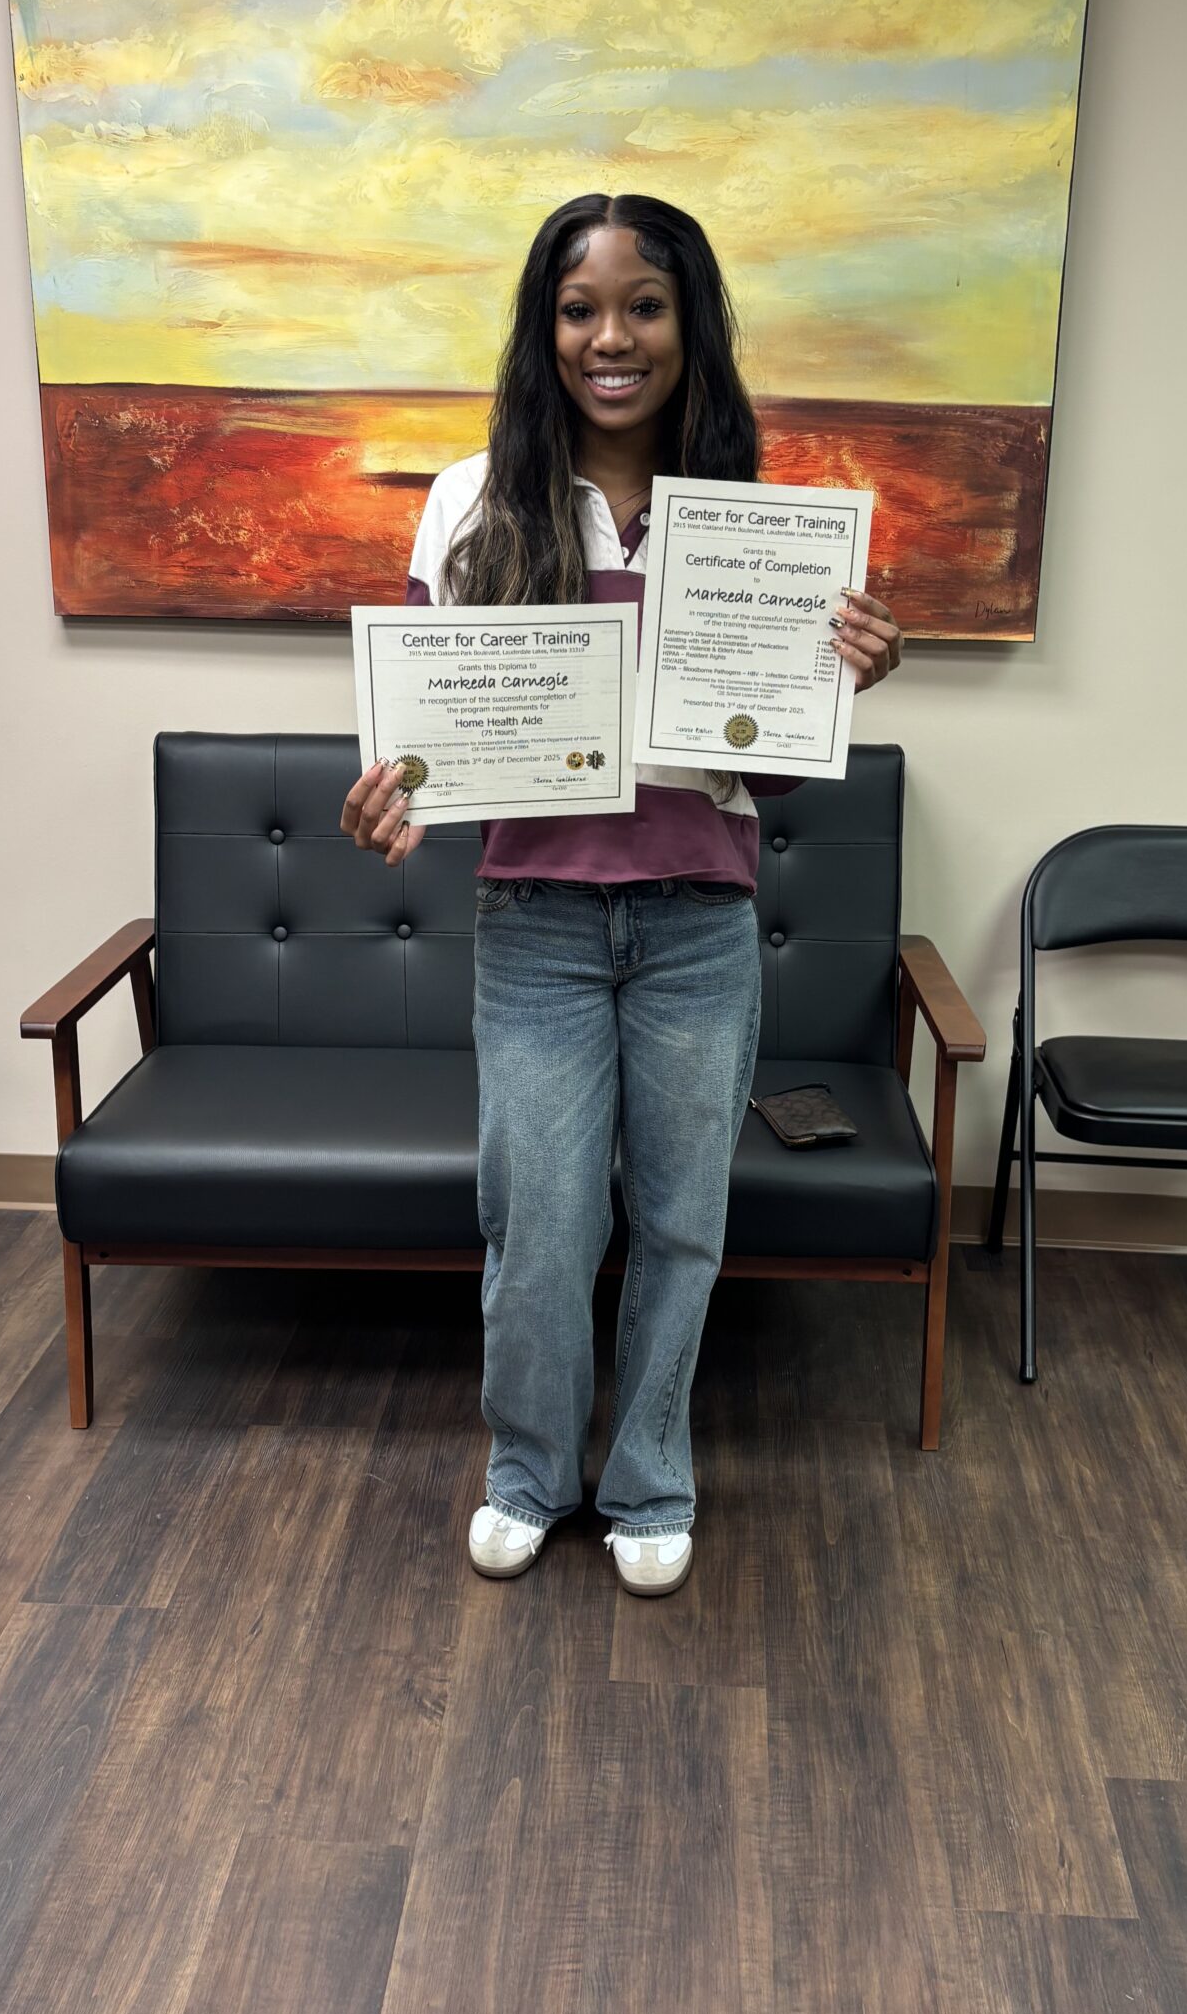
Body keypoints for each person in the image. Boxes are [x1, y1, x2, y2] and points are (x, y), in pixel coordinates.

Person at [342, 193, 901, 1596]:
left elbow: (768, 781)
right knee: (539, 1225)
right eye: (580, 308)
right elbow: (430, 732)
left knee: (682, 1225)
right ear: (545, 331)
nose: (612, 337)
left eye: (644, 307)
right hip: (536, 929)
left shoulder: (753, 524)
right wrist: (392, 793)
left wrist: (837, 685)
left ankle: (650, 1479)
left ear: (688, 325)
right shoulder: (472, 500)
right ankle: (529, 1473)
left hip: (699, 929)